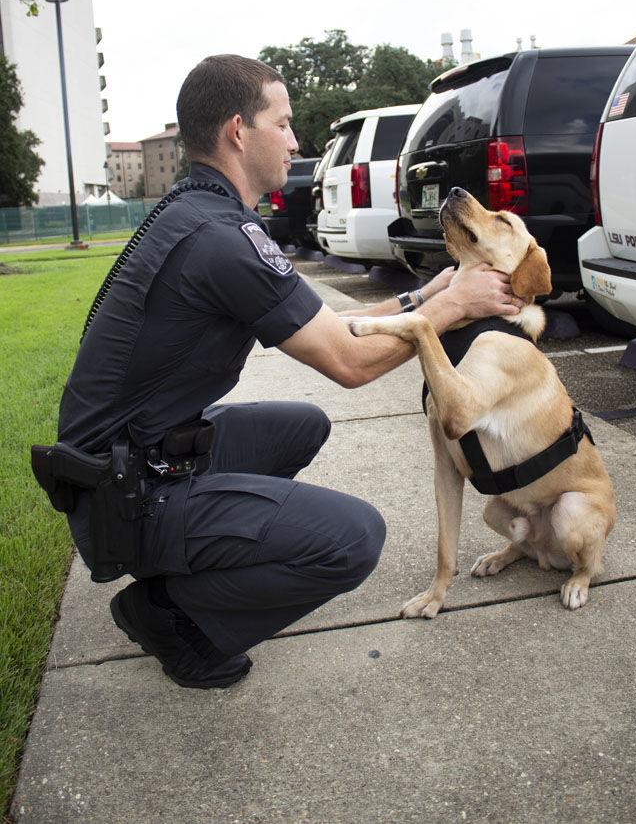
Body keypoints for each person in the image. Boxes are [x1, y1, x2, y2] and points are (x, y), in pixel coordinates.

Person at [57, 55, 522, 690]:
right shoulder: (222, 239)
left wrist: (427, 299)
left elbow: (336, 329)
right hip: (124, 494)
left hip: (124, 468)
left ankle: (186, 563)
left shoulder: (201, 215)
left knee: (298, 427)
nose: (297, 142)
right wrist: (458, 307)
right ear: (238, 132)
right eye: (284, 122)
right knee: (353, 538)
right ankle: (171, 614)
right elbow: (351, 364)